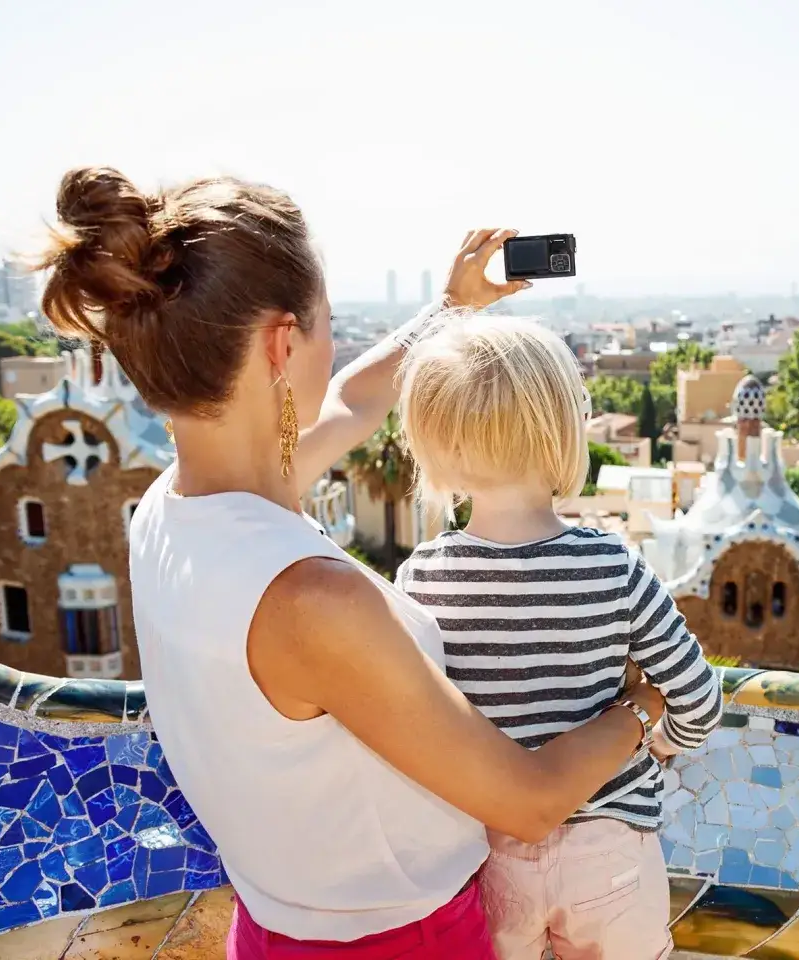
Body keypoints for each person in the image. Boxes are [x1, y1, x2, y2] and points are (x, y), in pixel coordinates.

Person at [36, 167, 667, 960]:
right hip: (405, 942)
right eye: (327, 321)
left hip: (270, 929)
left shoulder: (172, 512)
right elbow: (530, 801)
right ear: (281, 342)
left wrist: (451, 310)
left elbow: (349, 403)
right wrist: (642, 708)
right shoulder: (309, 599)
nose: (334, 345)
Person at [396, 314, 723, 960]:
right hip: (611, 852)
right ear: (559, 434)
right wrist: (656, 744)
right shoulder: (612, 566)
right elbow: (700, 699)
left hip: (488, 859)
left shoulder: (420, 580)